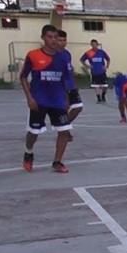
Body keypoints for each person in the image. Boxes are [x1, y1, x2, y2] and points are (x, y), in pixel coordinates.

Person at [20, 25, 74, 173]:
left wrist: (67, 98)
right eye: (50, 37)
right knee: (34, 132)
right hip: (39, 100)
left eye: (55, 37)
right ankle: (28, 152)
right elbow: (23, 76)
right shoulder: (33, 55)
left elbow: (66, 79)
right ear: (43, 37)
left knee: (64, 131)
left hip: (57, 100)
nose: (53, 40)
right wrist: (29, 98)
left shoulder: (63, 57)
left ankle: (57, 162)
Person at [56, 30, 83, 130]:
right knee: (64, 109)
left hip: (71, 86)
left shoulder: (67, 53)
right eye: (60, 40)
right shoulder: (53, 55)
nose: (62, 43)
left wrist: (75, 84)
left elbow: (70, 70)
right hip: (61, 87)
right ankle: (64, 130)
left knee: (78, 107)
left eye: (64, 40)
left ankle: (64, 125)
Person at [79, 39, 110, 103]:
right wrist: (87, 66)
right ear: (91, 45)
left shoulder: (101, 52)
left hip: (102, 72)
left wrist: (106, 66)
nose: (94, 46)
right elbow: (81, 60)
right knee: (96, 86)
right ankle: (98, 98)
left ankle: (103, 95)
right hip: (94, 72)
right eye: (92, 44)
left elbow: (108, 59)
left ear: (97, 45)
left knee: (105, 86)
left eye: (95, 44)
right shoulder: (88, 53)